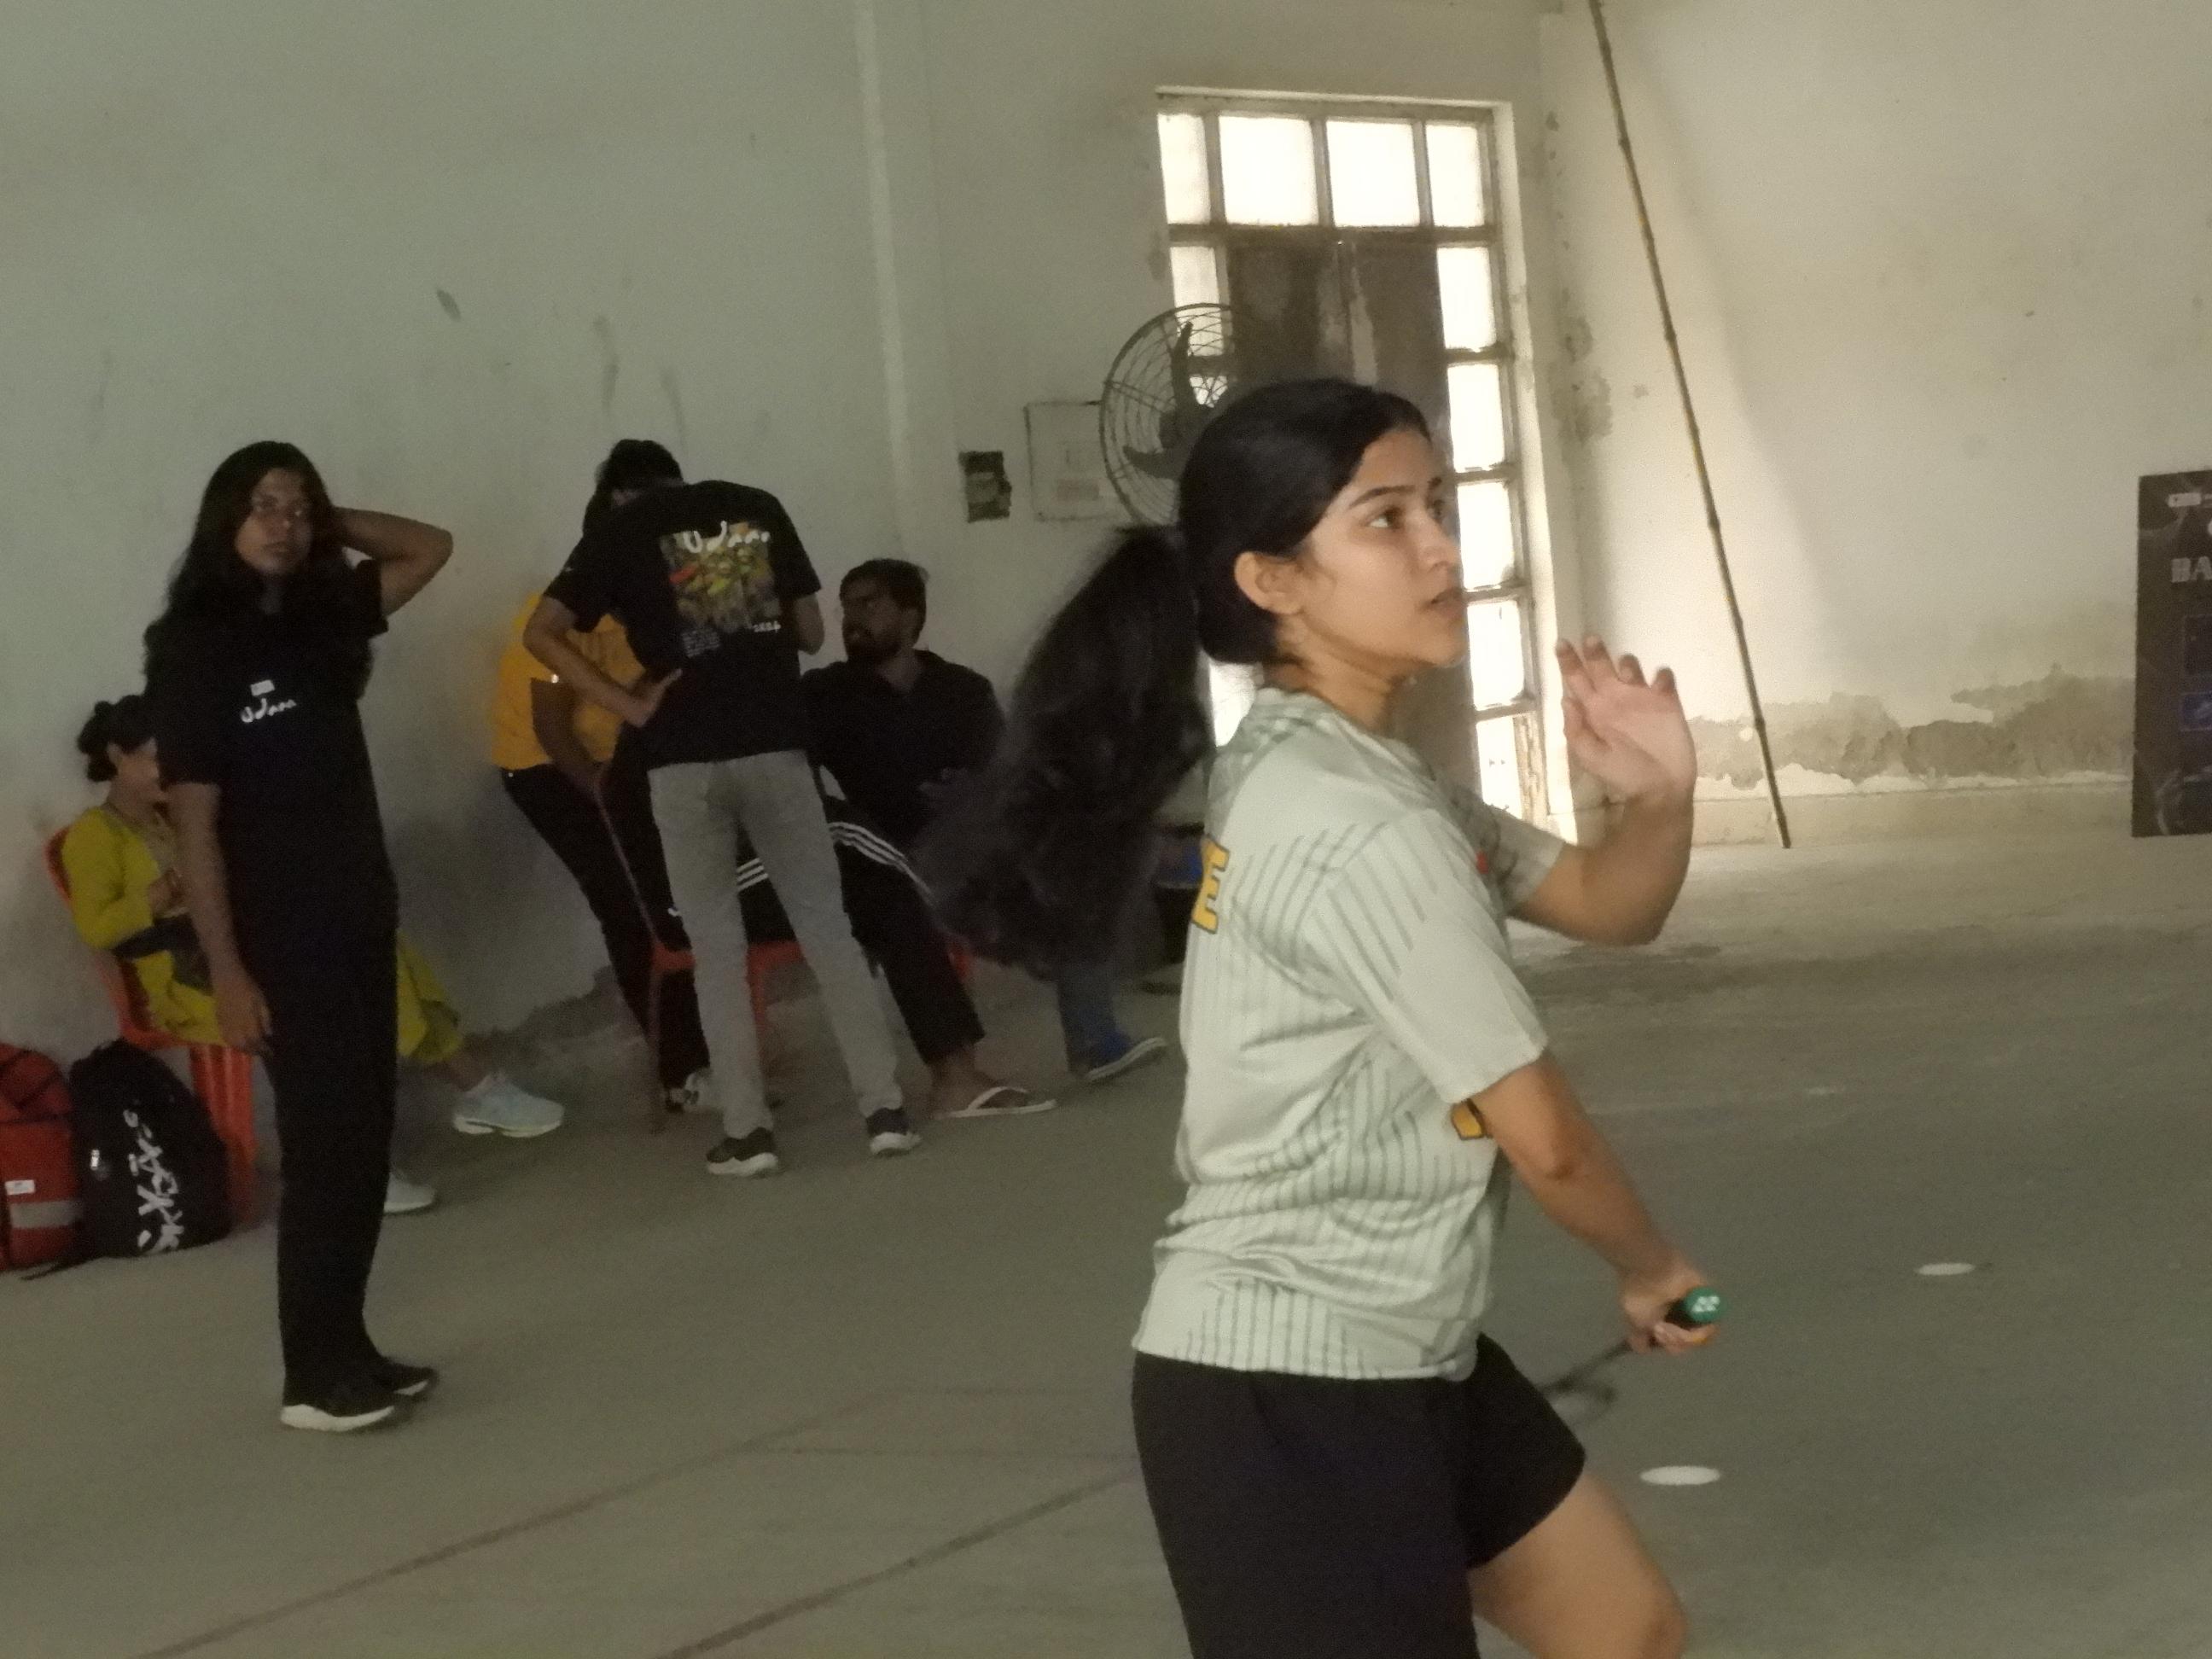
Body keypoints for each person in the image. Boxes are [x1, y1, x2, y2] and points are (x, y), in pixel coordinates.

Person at [924, 380, 1711, 1658]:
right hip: (1289, 1387)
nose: (1441, 549)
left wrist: (1661, 797)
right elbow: (1547, 1140)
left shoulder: (1345, 766)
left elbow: (1605, 900)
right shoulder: (1357, 822)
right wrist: (1652, 1267)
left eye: (1436, 505)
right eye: (1385, 519)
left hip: (1409, 1345)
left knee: (1626, 1632)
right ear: (1274, 580)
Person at [145, 442, 456, 1434]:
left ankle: (348, 1346)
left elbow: (429, 547)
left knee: (365, 1136)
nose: (281, 524)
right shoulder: (194, 645)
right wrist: (229, 971)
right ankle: (311, 1378)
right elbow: (196, 825)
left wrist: (327, 518)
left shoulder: (323, 618)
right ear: (223, 520)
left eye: (296, 506)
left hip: (358, 910)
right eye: (262, 506)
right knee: (325, 1146)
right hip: (279, 933)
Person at [492, 586, 1045, 1121]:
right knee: (856, 847)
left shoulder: (734, 713)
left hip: (758, 877)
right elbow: (715, 841)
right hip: (696, 895)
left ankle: (955, 1078)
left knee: (886, 894)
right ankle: (703, 1080)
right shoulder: (661, 727)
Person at [525, 441, 915, 1178]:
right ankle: (884, 1112)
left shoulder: (617, 531)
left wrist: (628, 707)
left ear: (617, 494)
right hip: (776, 746)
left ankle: (748, 1133)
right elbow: (811, 633)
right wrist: (741, 628)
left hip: (683, 760)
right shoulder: (756, 506)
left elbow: (540, 632)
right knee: (827, 929)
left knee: (716, 952)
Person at [61, 696, 562, 1216]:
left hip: (239, 951)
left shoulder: (175, 818)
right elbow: (96, 928)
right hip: (186, 980)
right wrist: (163, 892)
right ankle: (365, 1164)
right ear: (118, 756)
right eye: (157, 759)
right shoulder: (94, 835)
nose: (173, 774)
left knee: (373, 949)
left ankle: (470, 1091)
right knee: (315, 1003)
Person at [806, 559, 1168, 1085]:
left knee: (1076, 865)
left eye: (869, 604)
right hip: (884, 858)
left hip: (970, 846)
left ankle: (1094, 1042)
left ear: (909, 616)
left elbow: (1005, 777)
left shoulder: (961, 690)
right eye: (847, 608)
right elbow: (796, 786)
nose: (853, 620)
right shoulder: (826, 696)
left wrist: (969, 796)